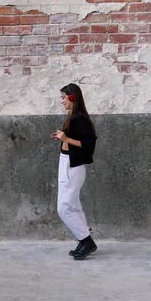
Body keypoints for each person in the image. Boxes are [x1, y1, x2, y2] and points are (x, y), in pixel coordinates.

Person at [50, 83, 98, 260]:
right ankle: (83, 239)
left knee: (64, 208)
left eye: (63, 97)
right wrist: (62, 138)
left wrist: (66, 138)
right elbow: (73, 140)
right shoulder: (73, 117)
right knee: (73, 206)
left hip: (73, 166)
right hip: (66, 163)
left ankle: (86, 240)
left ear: (72, 97)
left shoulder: (80, 118)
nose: (62, 101)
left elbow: (89, 143)